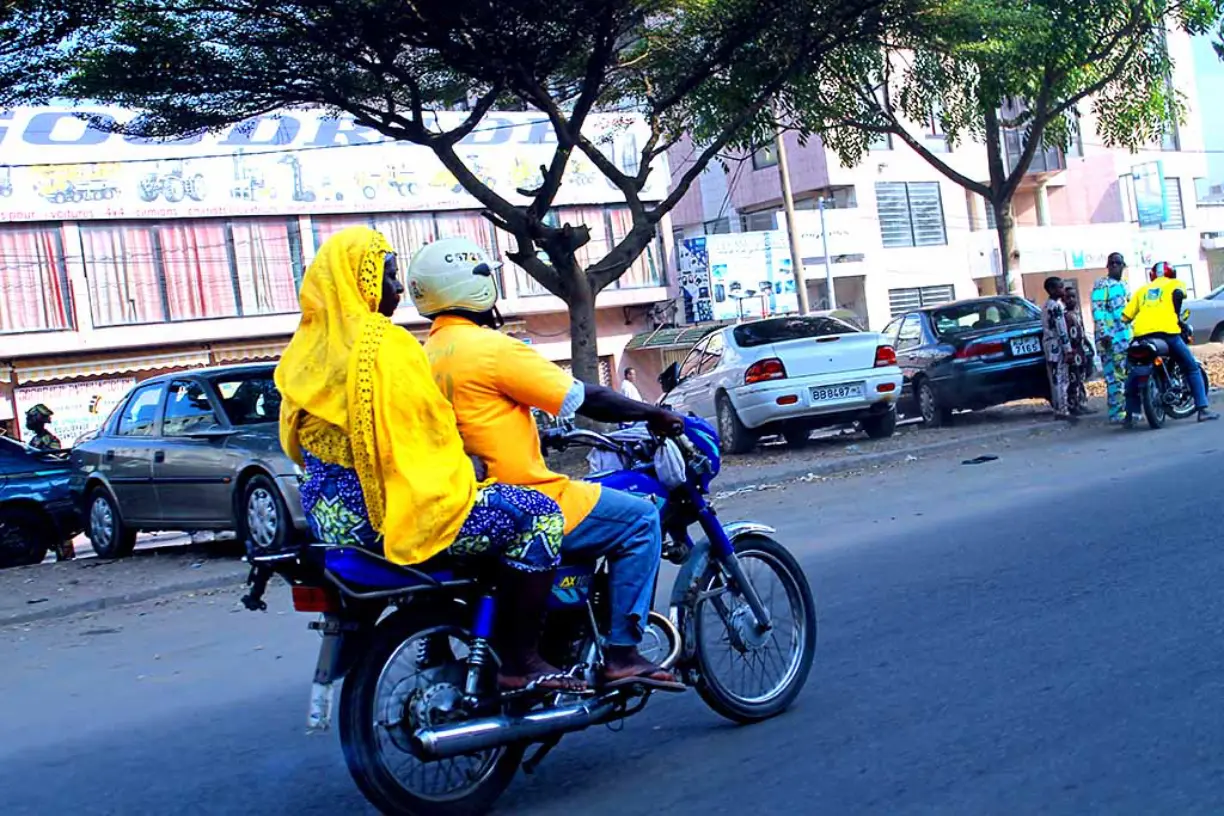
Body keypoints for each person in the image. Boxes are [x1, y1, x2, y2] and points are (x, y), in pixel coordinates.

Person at [274, 226, 581, 692]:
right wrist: (469, 471)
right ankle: (522, 662)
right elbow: (420, 436)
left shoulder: (306, 349)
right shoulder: (385, 346)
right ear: (361, 284)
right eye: (389, 277)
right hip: (387, 516)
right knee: (538, 515)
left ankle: (441, 639)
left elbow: (297, 442)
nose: (398, 290)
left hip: (329, 523)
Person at [410, 237, 686, 692]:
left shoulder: (427, 355)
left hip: (461, 500)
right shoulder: (490, 348)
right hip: (525, 501)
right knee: (639, 519)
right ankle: (623, 653)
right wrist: (654, 413)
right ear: (478, 289)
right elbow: (583, 397)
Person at [1121, 261, 1219, 426]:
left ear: (1152, 276)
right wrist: (1176, 315)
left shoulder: (1141, 291)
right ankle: (1202, 409)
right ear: (1171, 274)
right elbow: (1179, 295)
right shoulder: (1175, 283)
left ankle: (1131, 416)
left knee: (1132, 371)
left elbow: (1125, 317)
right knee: (1191, 367)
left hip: (1142, 336)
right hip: (1167, 333)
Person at [1091, 252, 1132, 424]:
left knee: (1125, 376)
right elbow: (1098, 311)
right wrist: (1104, 333)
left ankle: (1127, 410)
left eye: (1118, 263)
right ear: (1107, 266)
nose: (1115, 265)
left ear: (1123, 266)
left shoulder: (1124, 285)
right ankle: (1116, 413)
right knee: (1114, 378)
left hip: (1126, 339)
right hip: (1110, 340)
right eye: (1112, 263)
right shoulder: (1102, 285)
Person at [1041, 277, 1075, 422]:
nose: (1062, 290)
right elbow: (1062, 330)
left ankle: (1059, 407)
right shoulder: (1056, 307)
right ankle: (1062, 409)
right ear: (1052, 290)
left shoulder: (1046, 305)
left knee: (1055, 378)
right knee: (1060, 378)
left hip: (1049, 345)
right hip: (1056, 346)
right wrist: (1068, 349)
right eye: (1060, 287)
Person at [1063, 289, 1096, 416]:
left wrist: (1088, 345)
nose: (1071, 299)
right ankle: (1073, 404)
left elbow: (1082, 332)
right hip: (1073, 350)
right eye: (1068, 297)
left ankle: (1082, 403)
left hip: (1081, 351)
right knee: (1074, 378)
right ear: (1063, 300)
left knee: (1081, 378)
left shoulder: (1077, 314)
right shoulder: (1065, 316)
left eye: (1073, 296)